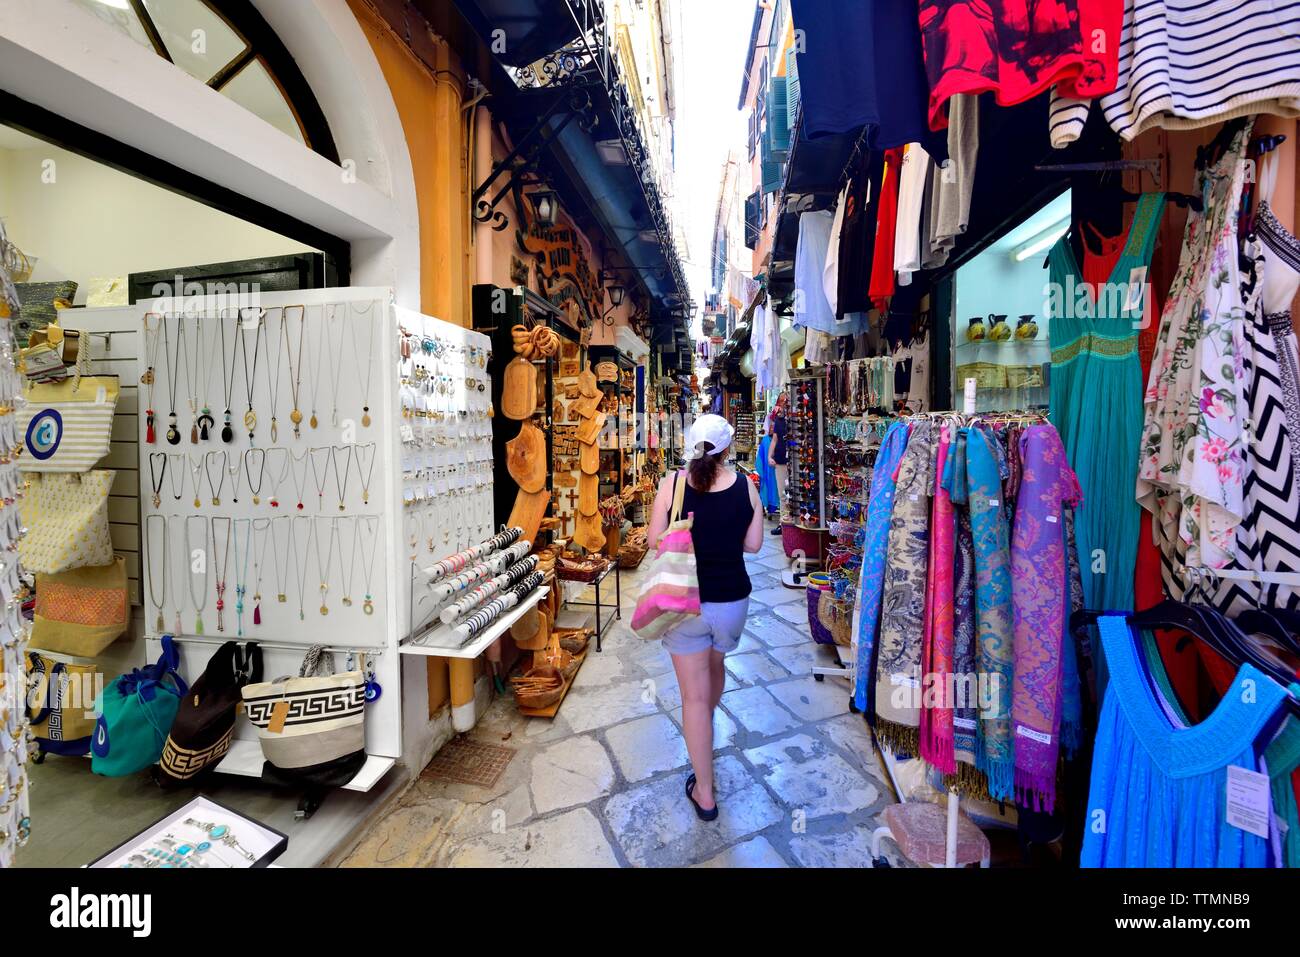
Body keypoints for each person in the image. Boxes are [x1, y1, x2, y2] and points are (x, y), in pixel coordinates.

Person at [646, 413, 763, 821]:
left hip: (685, 605)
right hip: (732, 604)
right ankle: (705, 730)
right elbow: (753, 545)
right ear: (727, 449)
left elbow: (652, 541)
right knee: (716, 666)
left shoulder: (671, 485)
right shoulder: (746, 486)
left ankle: (705, 792)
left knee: (693, 698)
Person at [766, 393, 789, 534]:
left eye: (785, 401)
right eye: (781, 401)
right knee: (782, 493)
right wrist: (769, 456)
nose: (783, 404)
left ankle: (795, 522)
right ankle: (784, 523)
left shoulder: (797, 419)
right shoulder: (779, 421)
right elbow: (774, 439)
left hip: (798, 461)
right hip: (780, 461)